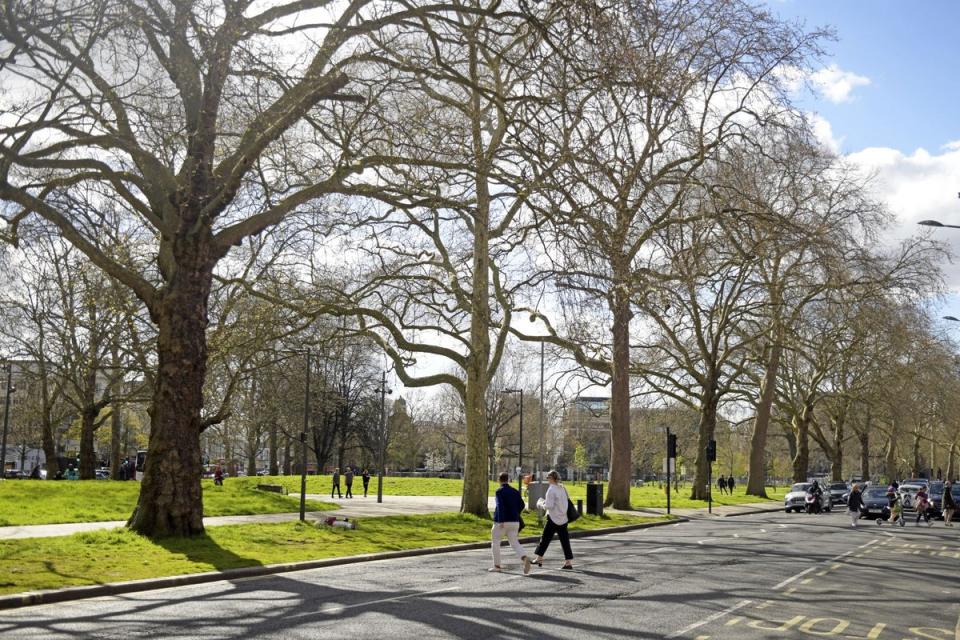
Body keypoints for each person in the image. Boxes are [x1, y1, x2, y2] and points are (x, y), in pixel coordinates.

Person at [490, 472, 532, 574]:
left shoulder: (499, 491)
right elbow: (522, 504)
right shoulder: (515, 491)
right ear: (508, 480)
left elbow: (500, 505)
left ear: (499, 480)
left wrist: (501, 520)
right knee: (514, 542)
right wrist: (515, 513)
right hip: (515, 521)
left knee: (495, 543)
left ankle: (497, 566)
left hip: (502, 521)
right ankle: (524, 557)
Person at [532, 470, 574, 570]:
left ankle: (539, 558)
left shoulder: (551, 489)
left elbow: (549, 505)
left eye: (548, 478)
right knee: (565, 541)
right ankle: (568, 562)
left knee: (545, 539)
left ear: (551, 478)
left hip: (553, 518)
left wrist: (541, 504)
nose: (547, 479)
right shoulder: (562, 488)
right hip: (563, 518)